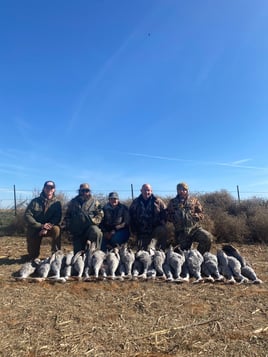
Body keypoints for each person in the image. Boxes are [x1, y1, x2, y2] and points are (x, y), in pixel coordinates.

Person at [167, 182, 213, 255]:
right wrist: (175, 217)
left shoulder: (194, 200)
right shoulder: (172, 202)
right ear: (177, 191)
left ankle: (200, 257)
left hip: (194, 229)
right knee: (184, 252)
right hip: (181, 232)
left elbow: (202, 213)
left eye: (183, 189)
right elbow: (167, 215)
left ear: (187, 190)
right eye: (179, 189)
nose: (181, 191)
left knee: (207, 237)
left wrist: (196, 216)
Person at [24, 180, 62, 260]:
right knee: (33, 257)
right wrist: (40, 226)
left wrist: (46, 227)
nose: (49, 189)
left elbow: (57, 218)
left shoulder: (57, 203)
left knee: (57, 229)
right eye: (47, 187)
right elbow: (27, 216)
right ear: (44, 188)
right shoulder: (35, 201)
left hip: (49, 227)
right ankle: (33, 255)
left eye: (51, 187)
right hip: (36, 227)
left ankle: (56, 255)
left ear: (54, 189)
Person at [63, 183, 103, 254]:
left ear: (89, 191)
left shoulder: (95, 202)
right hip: (77, 231)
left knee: (96, 232)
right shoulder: (73, 202)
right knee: (78, 255)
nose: (84, 192)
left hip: (89, 228)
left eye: (86, 190)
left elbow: (100, 215)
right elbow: (67, 216)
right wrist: (69, 228)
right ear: (79, 191)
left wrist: (92, 221)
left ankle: (95, 254)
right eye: (82, 191)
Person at [129, 183, 167, 250]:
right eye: (144, 190)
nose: (147, 192)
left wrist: (162, 221)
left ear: (151, 191)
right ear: (141, 191)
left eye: (148, 190)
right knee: (143, 251)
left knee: (162, 229)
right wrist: (133, 230)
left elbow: (165, 212)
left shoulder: (158, 201)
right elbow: (130, 215)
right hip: (141, 231)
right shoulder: (135, 202)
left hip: (154, 231)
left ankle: (161, 249)